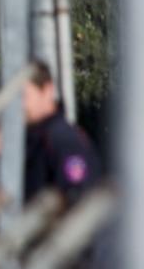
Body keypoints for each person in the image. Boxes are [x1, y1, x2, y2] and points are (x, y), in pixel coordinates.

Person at [24, 60, 103, 207]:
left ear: (47, 90)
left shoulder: (63, 140)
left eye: (24, 96)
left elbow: (78, 198)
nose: (18, 105)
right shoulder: (34, 138)